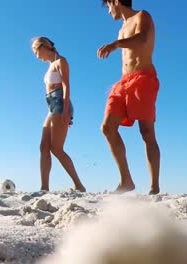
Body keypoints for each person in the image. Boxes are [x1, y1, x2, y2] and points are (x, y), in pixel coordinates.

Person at [98, 0, 160, 194]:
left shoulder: (142, 15)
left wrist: (115, 44)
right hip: (123, 82)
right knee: (107, 128)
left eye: (108, 6)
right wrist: (117, 42)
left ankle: (154, 187)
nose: (109, 12)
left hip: (143, 78)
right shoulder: (122, 28)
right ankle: (126, 180)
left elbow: (142, 39)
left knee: (147, 132)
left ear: (115, 2)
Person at [31, 37, 86, 192]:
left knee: (57, 148)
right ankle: (44, 188)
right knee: (44, 147)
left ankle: (79, 185)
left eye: (36, 52)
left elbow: (66, 86)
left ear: (43, 47)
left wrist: (66, 111)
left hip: (61, 104)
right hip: (51, 106)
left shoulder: (61, 61)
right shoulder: (50, 66)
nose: (37, 56)